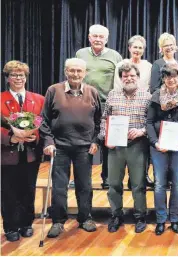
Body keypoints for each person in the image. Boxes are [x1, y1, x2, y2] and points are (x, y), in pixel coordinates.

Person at [40, 58, 102, 238]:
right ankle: (58, 221)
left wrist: (95, 141)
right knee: (59, 186)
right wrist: (49, 142)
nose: (75, 74)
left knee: (85, 185)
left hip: (84, 148)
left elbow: (99, 121)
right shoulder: (53, 90)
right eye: (72, 70)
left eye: (79, 71)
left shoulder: (92, 92)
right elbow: (44, 120)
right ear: (65, 71)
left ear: (85, 73)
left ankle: (85, 218)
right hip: (60, 147)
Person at [99, 63, 152, 233]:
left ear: (138, 77)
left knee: (138, 184)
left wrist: (142, 131)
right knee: (114, 183)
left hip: (138, 145)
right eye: (125, 76)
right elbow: (104, 119)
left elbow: (151, 122)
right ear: (121, 79)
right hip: (115, 147)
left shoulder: (147, 97)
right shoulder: (113, 95)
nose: (129, 79)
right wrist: (105, 137)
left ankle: (140, 216)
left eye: (132, 76)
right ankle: (116, 215)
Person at [1, 61, 45, 242]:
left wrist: (35, 137)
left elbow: (44, 126)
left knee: (28, 189)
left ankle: (27, 223)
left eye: (22, 75)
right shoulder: (1, 98)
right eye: (14, 75)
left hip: (30, 154)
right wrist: (10, 138)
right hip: (6, 155)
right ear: (7, 78)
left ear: (26, 78)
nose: (18, 78)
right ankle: (10, 226)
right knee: (8, 191)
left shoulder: (39, 99)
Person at [146, 63, 178, 235]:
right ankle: (160, 219)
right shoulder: (156, 96)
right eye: (167, 76)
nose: (171, 79)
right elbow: (149, 122)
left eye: (174, 76)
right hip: (158, 147)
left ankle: (174, 218)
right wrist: (154, 142)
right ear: (163, 79)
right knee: (159, 185)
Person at [76, 24, 123, 189]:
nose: (97, 39)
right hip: (84, 104)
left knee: (108, 143)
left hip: (107, 105)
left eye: (101, 37)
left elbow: (120, 81)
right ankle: (82, 178)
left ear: (106, 39)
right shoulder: (80, 54)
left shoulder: (115, 56)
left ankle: (107, 179)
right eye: (94, 36)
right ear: (89, 37)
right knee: (84, 142)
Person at [113, 35, 154, 188]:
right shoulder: (121, 65)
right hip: (123, 104)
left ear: (143, 50)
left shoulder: (148, 66)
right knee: (124, 145)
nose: (137, 50)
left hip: (142, 105)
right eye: (135, 47)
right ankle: (120, 178)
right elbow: (117, 85)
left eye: (140, 47)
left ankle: (140, 176)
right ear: (129, 48)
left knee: (142, 145)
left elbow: (150, 87)